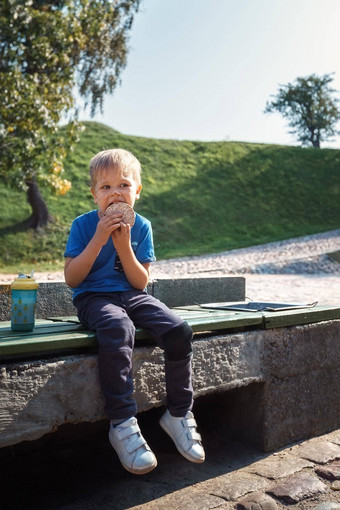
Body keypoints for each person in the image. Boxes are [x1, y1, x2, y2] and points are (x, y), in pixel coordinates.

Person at [64, 148, 205, 475]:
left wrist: (124, 245)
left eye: (124, 185)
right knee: (118, 328)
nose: (115, 192)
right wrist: (100, 239)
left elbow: (140, 282)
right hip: (93, 297)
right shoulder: (83, 225)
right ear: (94, 194)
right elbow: (72, 279)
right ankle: (122, 422)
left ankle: (179, 414)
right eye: (105, 187)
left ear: (137, 191)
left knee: (179, 331)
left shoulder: (141, 227)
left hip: (132, 294)